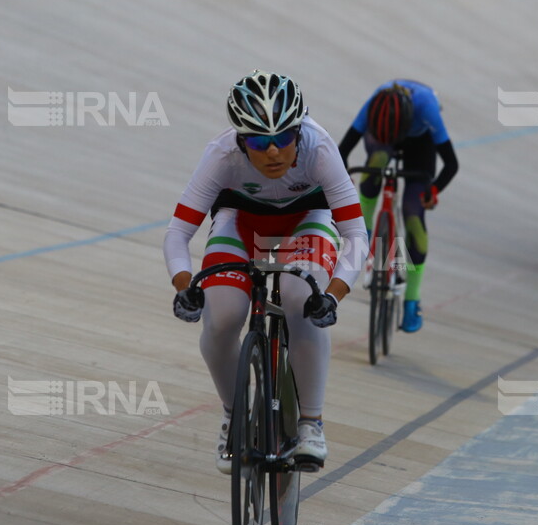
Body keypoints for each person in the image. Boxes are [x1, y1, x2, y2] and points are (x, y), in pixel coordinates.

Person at [164, 70, 367, 474]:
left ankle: (311, 424)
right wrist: (186, 287)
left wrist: (333, 295)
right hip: (241, 222)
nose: (273, 152)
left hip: (307, 220)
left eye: (284, 139)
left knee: (299, 299)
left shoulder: (320, 149)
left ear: (299, 132)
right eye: (258, 141)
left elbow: (356, 234)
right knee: (221, 317)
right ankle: (233, 414)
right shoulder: (221, 155)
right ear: (241, 140)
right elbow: (177, 234)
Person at [336, 80, 459, 334]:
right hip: (381, 140)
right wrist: (343, 176)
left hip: (419, 143)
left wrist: (433, 190)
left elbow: (451, 164)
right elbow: (342, 151)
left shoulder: (426, 108)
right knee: (376, 164)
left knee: (414, 215)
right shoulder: (373, 105)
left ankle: (412, 300)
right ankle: (365, 229)